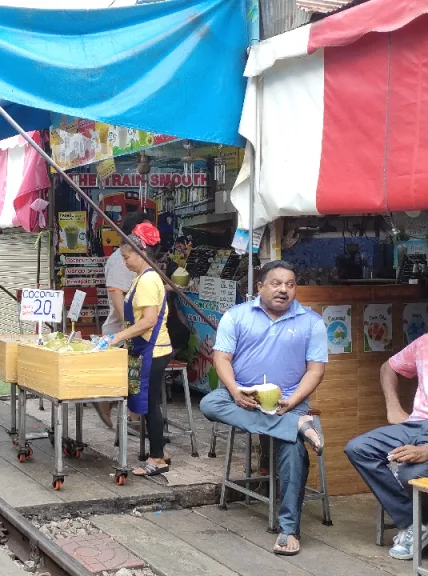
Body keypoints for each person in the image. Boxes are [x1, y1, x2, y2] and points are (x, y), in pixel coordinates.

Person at [199, 260, 328, 556]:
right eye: (276, 283)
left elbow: (316, 371)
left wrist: (293, 402)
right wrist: (235, 390)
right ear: (259, 287)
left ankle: (288, 530)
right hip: (244, 397)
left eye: (290, 284)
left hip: (288, 403)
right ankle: (296, 426)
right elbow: (221, 359)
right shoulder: (236, 316)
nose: (283, 290)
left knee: (294, 451)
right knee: (210, 402)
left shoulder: (312, 322)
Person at [345, 334, 428, 561]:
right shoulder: (424, 342)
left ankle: (420, 523)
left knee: (411, 473)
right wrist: (393, 407)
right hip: (415, 425)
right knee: (360, 448)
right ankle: (413, 523)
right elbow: (387, 368)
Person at [107, 221, 173, 476]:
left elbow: (148, 320)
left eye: (127, 257)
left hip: (152, 350)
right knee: (147, 403)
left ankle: (157, 459)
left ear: (141, 252)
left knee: (150, 404)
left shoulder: (147, 280)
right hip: (147, 349)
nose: (124, 262)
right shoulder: (143, 277)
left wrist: (117, 337)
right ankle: (161, 450)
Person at [95, 212, 148, 428]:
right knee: (130, 374)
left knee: (135, 373)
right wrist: (130, 329)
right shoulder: (120, 260)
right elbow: (117, 294)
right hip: (122, 331)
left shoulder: (138, 257)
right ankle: (106, 402)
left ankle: (133, 416)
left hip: (133, 330)